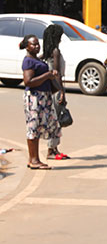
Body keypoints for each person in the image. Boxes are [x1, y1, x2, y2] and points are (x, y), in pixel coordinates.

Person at [20, 34, 60, 170]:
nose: (37, 46)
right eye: (33, 44)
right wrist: (47, 75)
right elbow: (28, 81)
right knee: (33, 127)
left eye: (38, 44)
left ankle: (33, 159)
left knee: (39, 127)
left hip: (43, 97)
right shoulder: (28, 61)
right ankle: (34, 160)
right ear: (27, 46)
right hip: (34, 97)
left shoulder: (36, 59)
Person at [41, 24, 70, 160]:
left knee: (53, 119)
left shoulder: (46, 52)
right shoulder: (55, 51)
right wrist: (62, 92)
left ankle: (54, 148)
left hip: (49, 89)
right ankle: (51, 150)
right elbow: (57, 74)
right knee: (56, 119)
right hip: (56, 88)